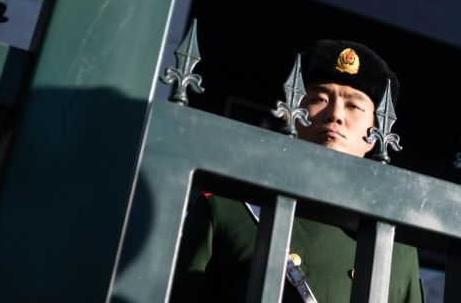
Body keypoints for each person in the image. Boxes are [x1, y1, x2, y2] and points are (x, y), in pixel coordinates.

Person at [172, 39, 423, 302]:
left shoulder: (396, 245)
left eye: (354, 106)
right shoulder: (230, 208)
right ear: (291, 111)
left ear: (377, 132)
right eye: (319, 99)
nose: (335, 114)